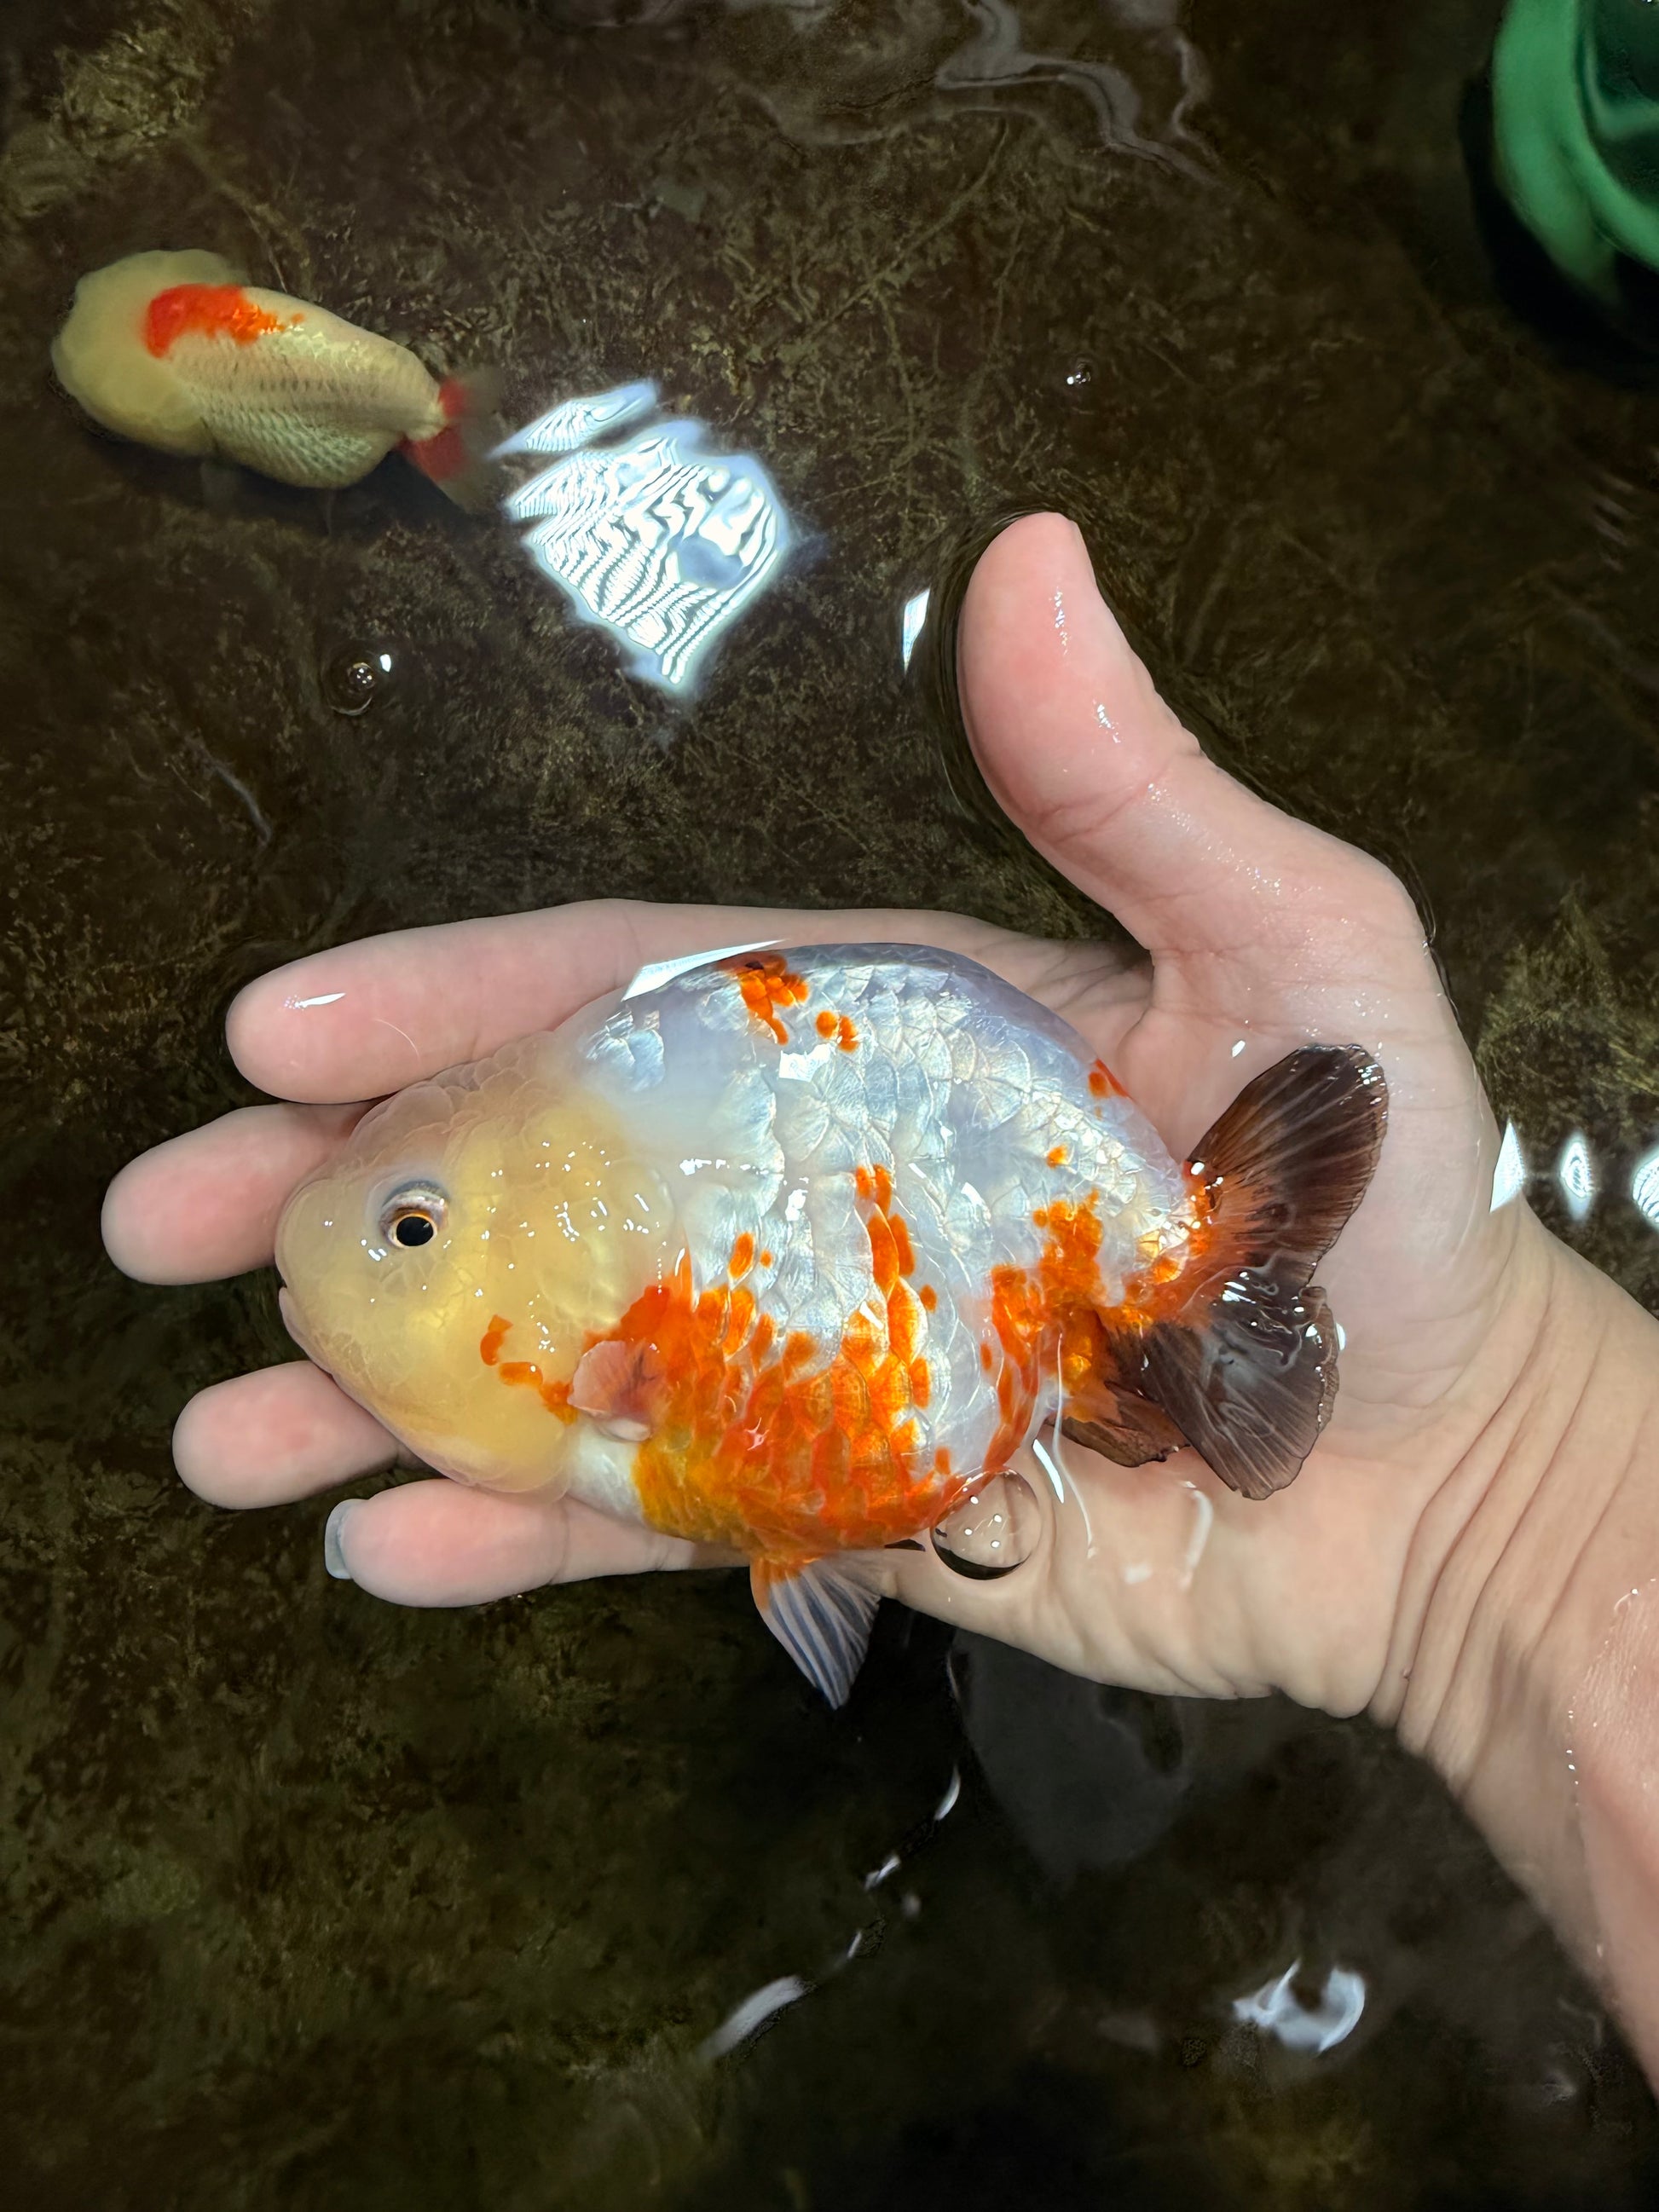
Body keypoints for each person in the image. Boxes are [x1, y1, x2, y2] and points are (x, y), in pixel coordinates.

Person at [102, 512, 1659, 2081]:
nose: (383, 1250)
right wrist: (1500, 1485)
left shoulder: (623, 1334)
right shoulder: (607, 1258)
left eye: (414, 1228)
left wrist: (1488, 1452)